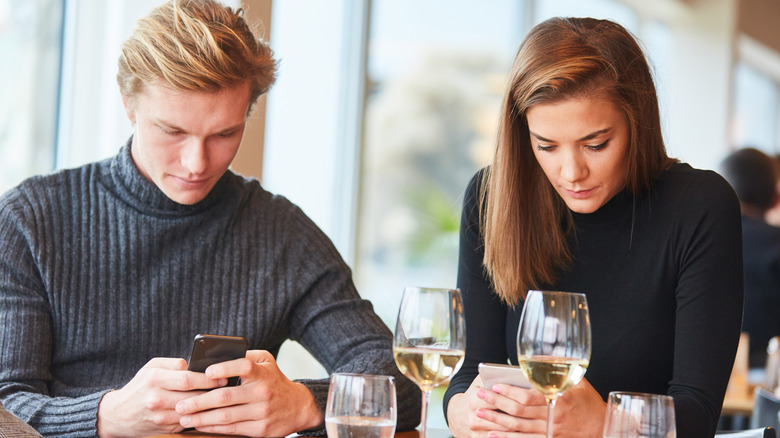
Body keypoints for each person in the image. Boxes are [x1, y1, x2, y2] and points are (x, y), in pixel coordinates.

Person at [0, 1, 420, 437]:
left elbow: (401, 376)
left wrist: (303, 402)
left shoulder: (279, 233)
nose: (196, 162)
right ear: (129, 104)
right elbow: (6, 402)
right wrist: (105, 417)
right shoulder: (30, 220)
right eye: (172, 131)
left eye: (224, 134)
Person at [443, 17, 743, 438]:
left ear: (637, 122)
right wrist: (463, 413)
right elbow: (466, 379)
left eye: (596, 144)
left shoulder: (700, 206)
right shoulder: (492, 199)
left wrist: (605, 422)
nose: (571, 172)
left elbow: (699, 414)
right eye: (545, 146)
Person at [720, 147, 780, 369]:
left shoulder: (696, 238)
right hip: (767, 378)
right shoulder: (776, 243)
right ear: (775, 199)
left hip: (696, 379)